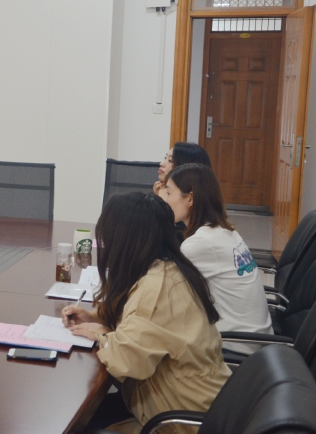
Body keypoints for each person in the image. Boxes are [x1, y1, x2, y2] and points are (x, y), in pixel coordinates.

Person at [62, 193, 230, 434]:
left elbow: (127, 362)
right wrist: (95, 317)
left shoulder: (158, 286)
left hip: (180, 421)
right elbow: (139, 319)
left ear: (124, 241)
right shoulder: (167, 268)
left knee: (74, 421)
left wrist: (101, 335)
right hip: (196, 404)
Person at [162, 163, 273, 350]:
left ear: (190, 198)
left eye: (168, 193)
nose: (165, 200)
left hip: (236, 345)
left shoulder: (199, 243)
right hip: (258, 338)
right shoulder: (225, 231)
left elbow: (166, 293)